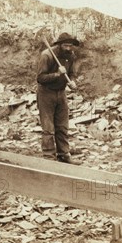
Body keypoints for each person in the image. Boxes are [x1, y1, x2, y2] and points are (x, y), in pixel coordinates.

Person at [36, 32, 82, 165]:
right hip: (46, 94)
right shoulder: (47, 55)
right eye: (66, 45)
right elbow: (40, 78)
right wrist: (57, 74)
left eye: (70, 46)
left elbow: (72, 73)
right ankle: (49, 157)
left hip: (61, 93)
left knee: (62, 126)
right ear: (60, 45)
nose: (68, 48)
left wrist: (72, 82)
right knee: (48, 129)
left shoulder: (70, 56)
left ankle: (64, 155)